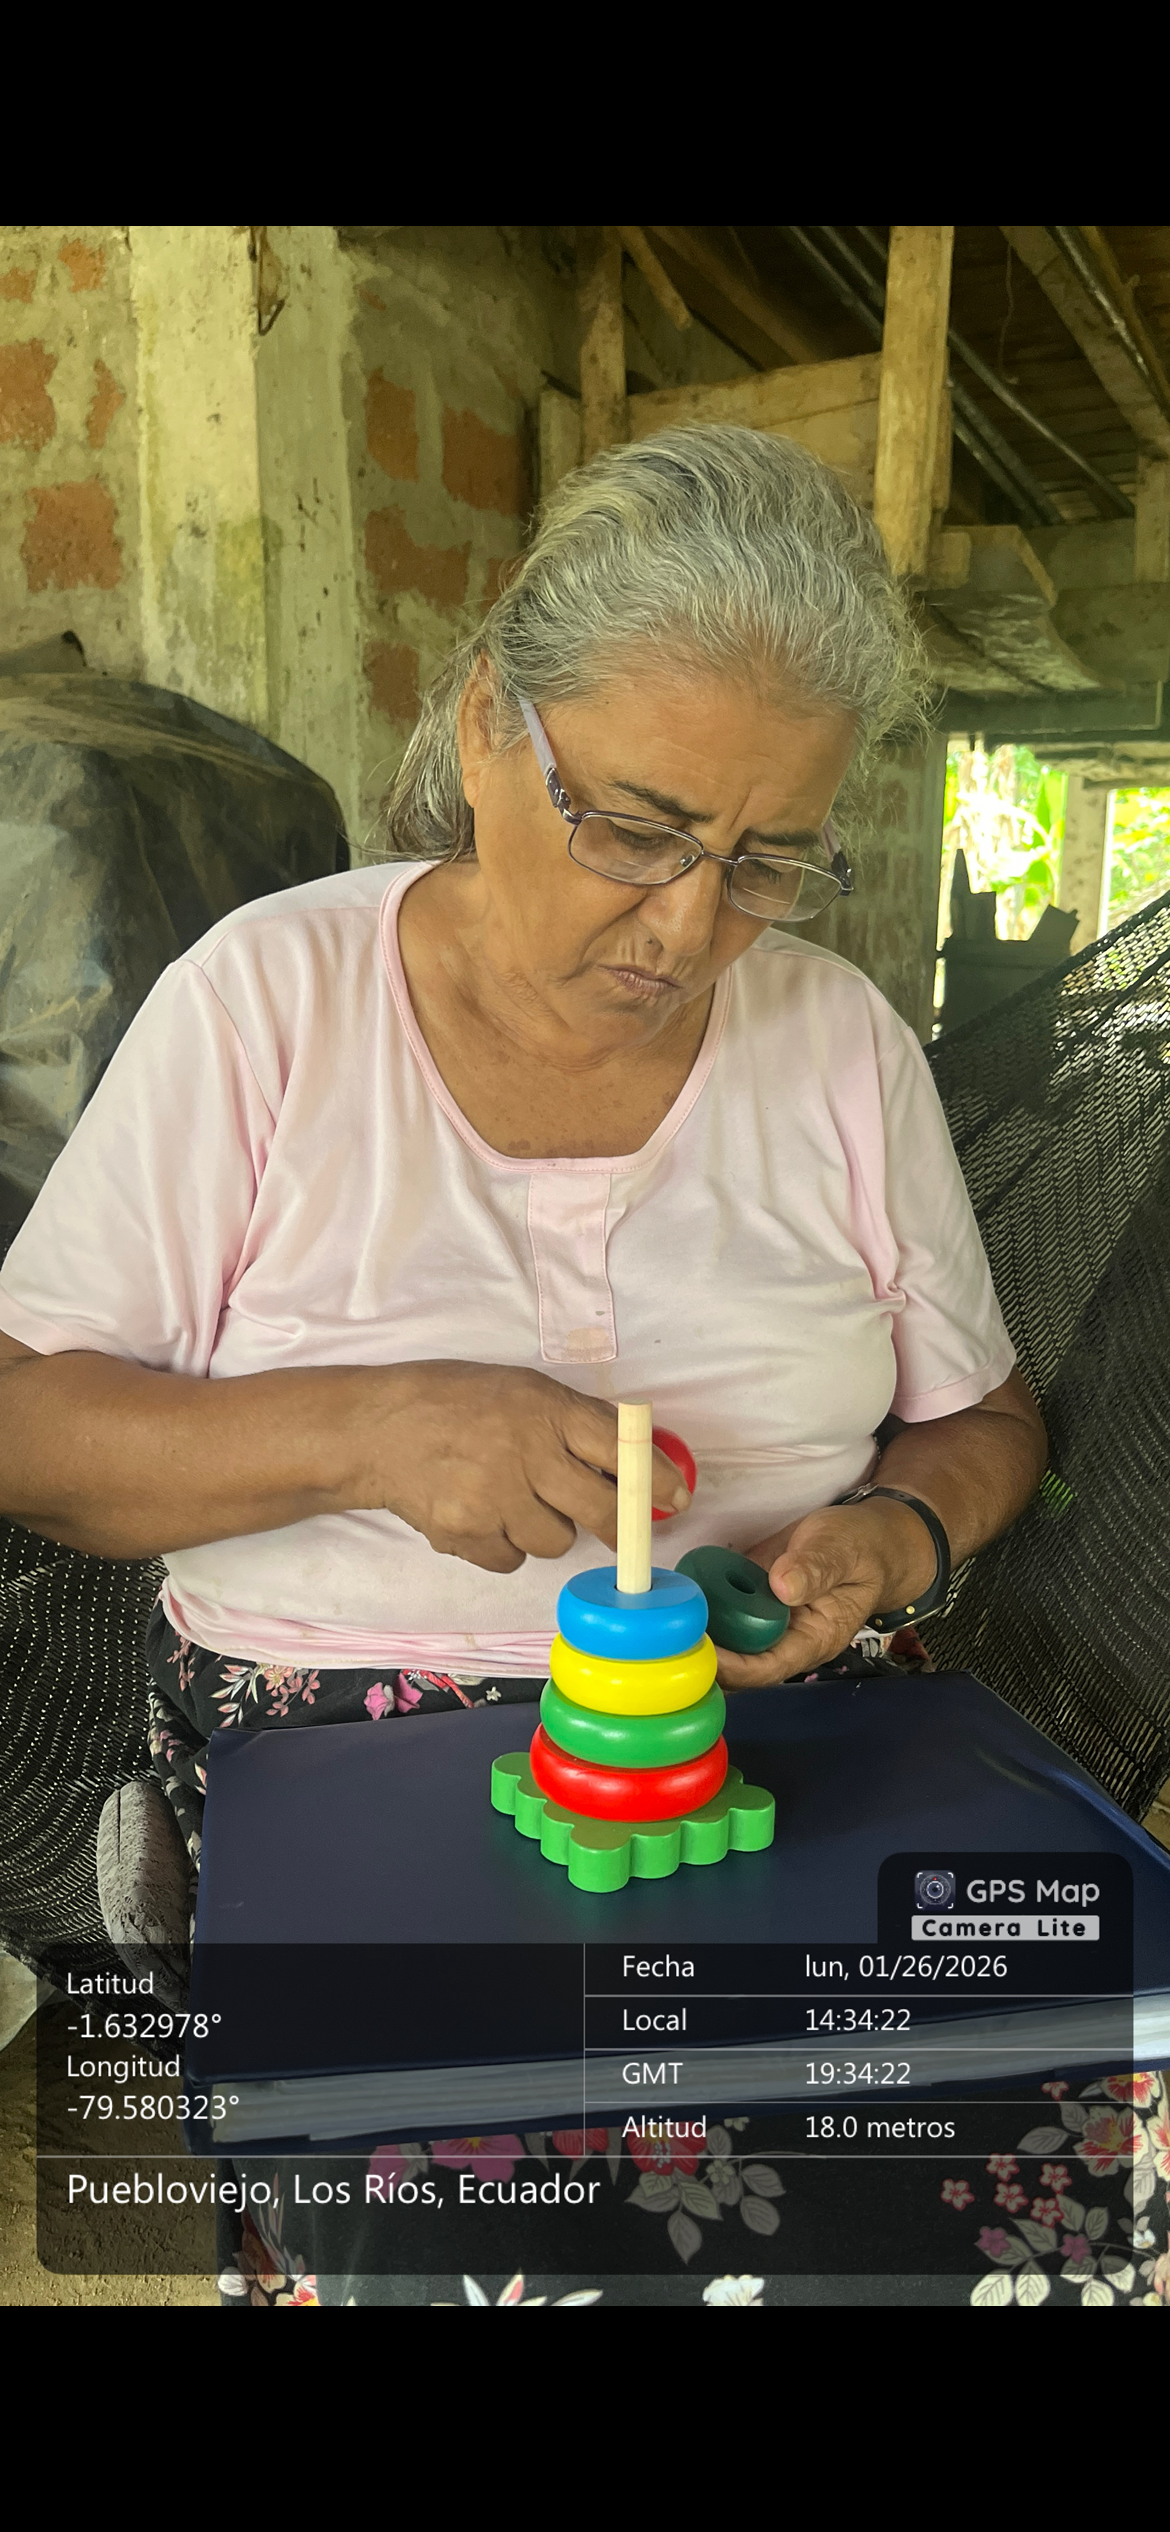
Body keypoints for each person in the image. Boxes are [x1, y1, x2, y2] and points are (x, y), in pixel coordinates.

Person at [0, 425, 1054, 2304]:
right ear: (490, 722)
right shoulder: (266, 1001)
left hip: (773, 1745)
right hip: (350, 1754)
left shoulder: (839, 1045)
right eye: (634, 828)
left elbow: (979, 1417)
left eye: (765, 860)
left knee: (1023, 2175)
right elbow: (30, 1431)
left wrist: (894, 1536)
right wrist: (370, 1433)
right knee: (494, 2229)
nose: (686, 927)